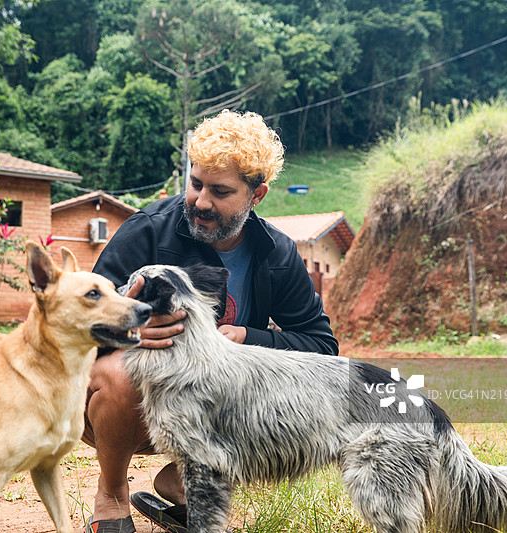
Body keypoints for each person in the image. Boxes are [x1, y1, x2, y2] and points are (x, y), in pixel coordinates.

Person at [82, 109, 339, 533]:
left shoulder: (277, 254)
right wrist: (128, 329)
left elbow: (322, 347)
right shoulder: (147, 231)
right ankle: (112, 496)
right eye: (195, 183)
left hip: (212, 416)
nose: (201, 202)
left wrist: (248, 337)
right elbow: (77, 320)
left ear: (257, 196)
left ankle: (183, 480)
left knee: (270, 391)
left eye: (220, 191)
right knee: (124, 373)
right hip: (133, 407)